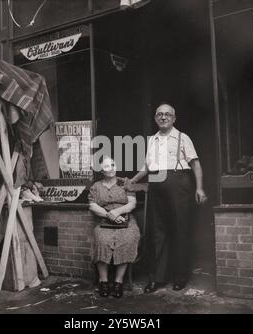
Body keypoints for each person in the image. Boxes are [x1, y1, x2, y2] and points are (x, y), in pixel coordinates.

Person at [130, 102, 207, 293]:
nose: (163, 117)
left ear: (174, 118)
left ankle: (180, 277)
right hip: (156, 185)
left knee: (180, 230)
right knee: (157, 233)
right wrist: (132, 181)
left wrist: (200, 188)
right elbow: (147, 168)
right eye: (159, 115)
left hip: (179, 184)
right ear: (155, 118)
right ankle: (157, 278)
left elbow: (195, 164)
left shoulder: (183, 138)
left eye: (167, 115)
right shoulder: (152, 140)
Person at [88, 156, 140, 298]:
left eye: (113, 164)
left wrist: (116, 212)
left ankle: (118, 282)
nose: (111, 168)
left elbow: (132, 203)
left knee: (127, 239)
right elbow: (92, 205)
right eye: (107, 166)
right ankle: (103, 281)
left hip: (126, 220)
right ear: (101, 170)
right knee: (101, 240)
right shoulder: (96, 187)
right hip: (104, 221)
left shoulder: (125, 182)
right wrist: (108, 215)